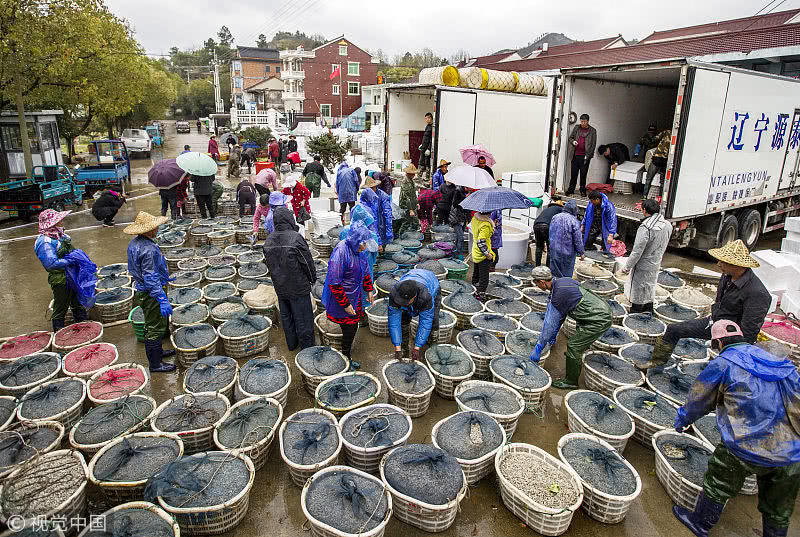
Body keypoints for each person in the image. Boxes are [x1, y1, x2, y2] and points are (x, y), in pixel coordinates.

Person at [671, 319, 800, 537]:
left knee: (719, 481)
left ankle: (700, 523)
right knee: (778, 508)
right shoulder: (782, 363)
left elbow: (700, 399)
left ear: (719, 343)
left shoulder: (724, 363)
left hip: (745, 443)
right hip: (791, 450)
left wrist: (683, 419)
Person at [636, 239, 772, 371]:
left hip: (732, 336)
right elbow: (719, 302)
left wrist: (731, 353)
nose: (718, 264)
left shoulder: (757, 293)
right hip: (715, 322)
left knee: (721, 368)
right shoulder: (727, 276)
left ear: (737, 265)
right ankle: (657, 362)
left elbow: (748, 333)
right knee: (673, 329)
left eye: (723, 262)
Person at [528, 266, 612, 389]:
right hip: (599, 308)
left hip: (598, 319)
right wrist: (553, 336)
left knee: (573, 346)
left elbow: (549, 325)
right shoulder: (562, 281)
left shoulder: (558, 296)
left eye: (536, 283)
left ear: (542, 282)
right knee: (578, 338)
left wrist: (539, 346)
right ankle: (577, 355)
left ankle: (571, 381)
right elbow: (560, 316)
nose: (537, 286)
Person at [124, 211, 176, 373]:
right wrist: (161, 298)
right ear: (148, 230)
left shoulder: (135, 243)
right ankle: (155, 364)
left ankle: (158, 352)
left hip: (143, 288)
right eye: (155, 227)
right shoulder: (148, 249)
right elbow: (150, 277)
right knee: (154, 327)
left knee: (153, 323)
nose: (157, 229)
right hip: (150, 292)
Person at [262, 206, 317, 351]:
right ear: (289, 219)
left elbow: (269, 266)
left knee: (287, 318)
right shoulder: (296, 238)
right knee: (303, 319)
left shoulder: (268, 240)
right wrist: (312, 279)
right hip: (298, 287)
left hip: (280, 287)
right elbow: (307, 263)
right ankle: (307, 349)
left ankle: (292, 344)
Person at [321, 221, 376, 359]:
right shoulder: (341, 252)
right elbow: (334, 283)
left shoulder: (360, 251)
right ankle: (346, 356)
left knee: (353, 326)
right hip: (342, 297)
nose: (365, 247)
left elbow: (365, 271)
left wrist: (369, 289)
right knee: (349, 327)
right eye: (363, 244)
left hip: (355, 294)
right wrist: (345, 304)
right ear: (356, 241)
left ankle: (346, 352)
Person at [35, 209, 89, 332]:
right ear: (51, 224)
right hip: (60, 279)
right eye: (58, 221)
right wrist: (71, 260)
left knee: (77, 301)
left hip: (72, 275)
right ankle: (59, 330)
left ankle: (82, 325)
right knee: (61, 306)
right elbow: (51, 264)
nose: (61, 222)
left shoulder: (59, 236)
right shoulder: (45, 242)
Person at [621, 199, 672, 313]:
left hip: (643, 265)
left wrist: (626, 268)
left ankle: (636, 314)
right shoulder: (667, 225)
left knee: (637, 292)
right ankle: (649, 312)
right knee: (650, 287)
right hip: (656, 262)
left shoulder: (646, 228)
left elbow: (637, 252)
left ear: (644, 210)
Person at [388, 269, 442, 360]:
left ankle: (432, 343)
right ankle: (404, 348)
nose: (403, 303)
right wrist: (397, 347)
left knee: (433, 320)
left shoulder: (426, 297)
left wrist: (417, 347)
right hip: (411, 277)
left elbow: (425, 322)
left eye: (406, 302)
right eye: (401, 301)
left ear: (414, 296)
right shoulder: (394, 293)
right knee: (403, 321)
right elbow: (394, 322)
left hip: (431, 283)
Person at [548, 200, 584, 278]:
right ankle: (565, 285)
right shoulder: (574, 221)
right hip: (567, 252)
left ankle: (555, 284)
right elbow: (578, 239)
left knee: (555, 272)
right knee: (566, 274)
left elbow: (550, 232)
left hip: (554, 249)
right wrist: (581, 252)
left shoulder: (555, 217)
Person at [566, 113, 597, 196]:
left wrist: (588, 155)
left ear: (588, 121)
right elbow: (570, 138)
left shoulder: (592, 131)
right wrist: (573, 142)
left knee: (583, 174)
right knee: (573, 174)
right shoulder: (577, 128)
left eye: (584, 121)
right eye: (581, 121)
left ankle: (582, 190)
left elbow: (593, 145)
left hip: (585, 156)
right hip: (575, 155)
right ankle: (571, 189)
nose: (583, 123)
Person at [360, 183, 393, 252]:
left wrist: (389, 230)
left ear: (375, 186)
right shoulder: (365, 194)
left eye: (372, 188)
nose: (370, 190)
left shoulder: (383, 196)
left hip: (381, 222)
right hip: (370, 222)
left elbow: (388, 214)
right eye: (369, 188)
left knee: (381, 242)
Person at [471, 210, 495, 301]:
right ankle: (480, 296)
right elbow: (481, 242)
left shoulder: (475, 218)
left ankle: (473, 291)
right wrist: (488, 254)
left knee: (476, 274)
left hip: (475, 251)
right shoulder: (485, 225)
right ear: (489, 213)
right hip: (482, 255)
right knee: (484, 278)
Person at [533, 197, 564, 267]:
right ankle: (547, 268)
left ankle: (537, 267)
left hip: (536, 225)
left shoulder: (547, 209)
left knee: (539, 247)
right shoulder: (560, 210)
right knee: (550, 248)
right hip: (547, 226)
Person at [644, 129, 671, 198]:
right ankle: (660, 198)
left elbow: (655, 139)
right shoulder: (677, 137)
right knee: (662, 182)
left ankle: (644, 197)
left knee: (648, 179)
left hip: (657, 158)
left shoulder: (666, 132)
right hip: (666, 160)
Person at [449, 184, 469, 260]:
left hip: (463, 218)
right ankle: (459, 254)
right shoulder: (457, 191)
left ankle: (456, 253)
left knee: (458, 237)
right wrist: (465, 198)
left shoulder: (466, 193)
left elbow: (467, 209)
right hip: (456, 218)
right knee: (460, 238)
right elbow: (455, 204)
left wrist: (469, 220)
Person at [398, 164, 420, 229]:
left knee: (414, 222)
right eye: (413, 174)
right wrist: (410, 210)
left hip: (412, 204)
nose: (414, 175)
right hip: (406, 206)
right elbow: (406, 197)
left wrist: (417, 203)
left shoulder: (411, 181)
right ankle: (401, 234)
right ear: (408, 174)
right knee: (406, 222)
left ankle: (412, 233)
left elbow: (413, 193)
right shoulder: (405, 182)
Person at [417, 112, 433, 178]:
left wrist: (429, 149)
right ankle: (419, 175)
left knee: (427, 162)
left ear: (430, 118)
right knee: (421, 161)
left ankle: (427, 176)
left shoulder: (432, 127)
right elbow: (425, 137)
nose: (426, 120)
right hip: (424, 147)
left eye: (427, 118)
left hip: (427, 148)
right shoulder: (427, 126)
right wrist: (422, 144)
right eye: (425, 118)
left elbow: (431, 139)